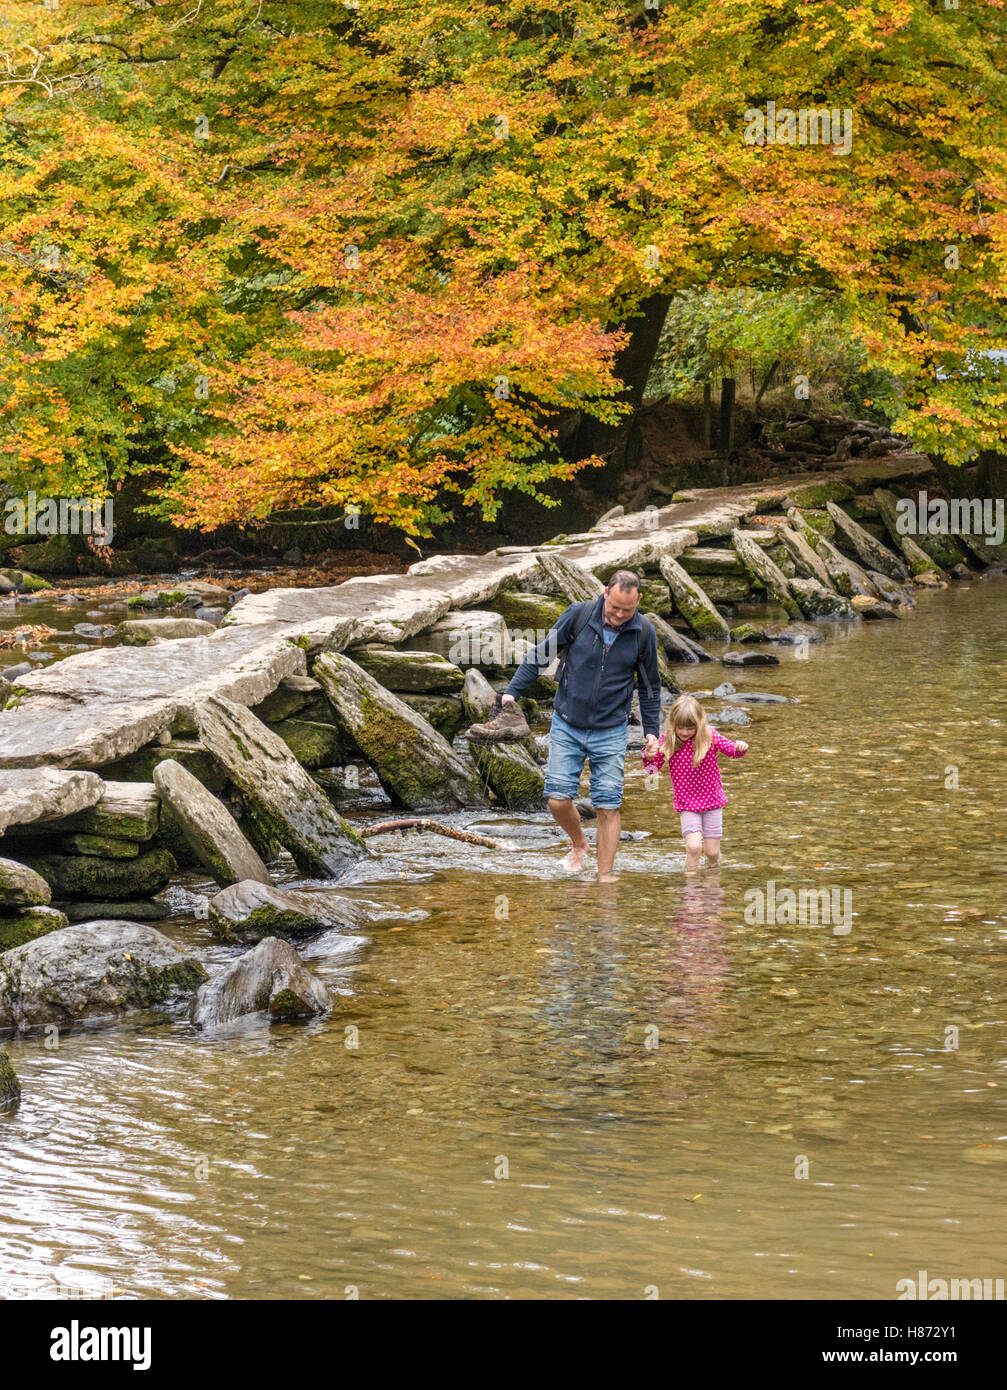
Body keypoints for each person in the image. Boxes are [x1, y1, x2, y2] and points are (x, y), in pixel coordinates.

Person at [466, 570, 661, 881]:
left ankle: (605, 877)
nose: (621, 615)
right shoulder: (579, 615)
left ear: (638, 601)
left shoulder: (644, 633)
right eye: (615, 608)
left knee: (608, 806)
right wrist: (512, 693)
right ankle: (579, 843)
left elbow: (651, 687)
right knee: (557, 799)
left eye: (628, 610)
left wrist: (652, 732)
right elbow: (541, 656)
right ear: (605, 592)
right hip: (567, 723)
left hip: (611, 729)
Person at [642, 693, 748, 870]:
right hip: (687, 803)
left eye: (690, 728)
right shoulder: (668, 740)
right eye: (681, 728)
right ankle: (692, 887)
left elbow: (731, 750)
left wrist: (740, 748)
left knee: (712, 853)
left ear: (699, 724)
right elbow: (652, 770)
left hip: (712, 801)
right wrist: (648, 756)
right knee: (693, 847)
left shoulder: (708, 736)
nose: (685, 733)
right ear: (673, 724)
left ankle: (713, 880)